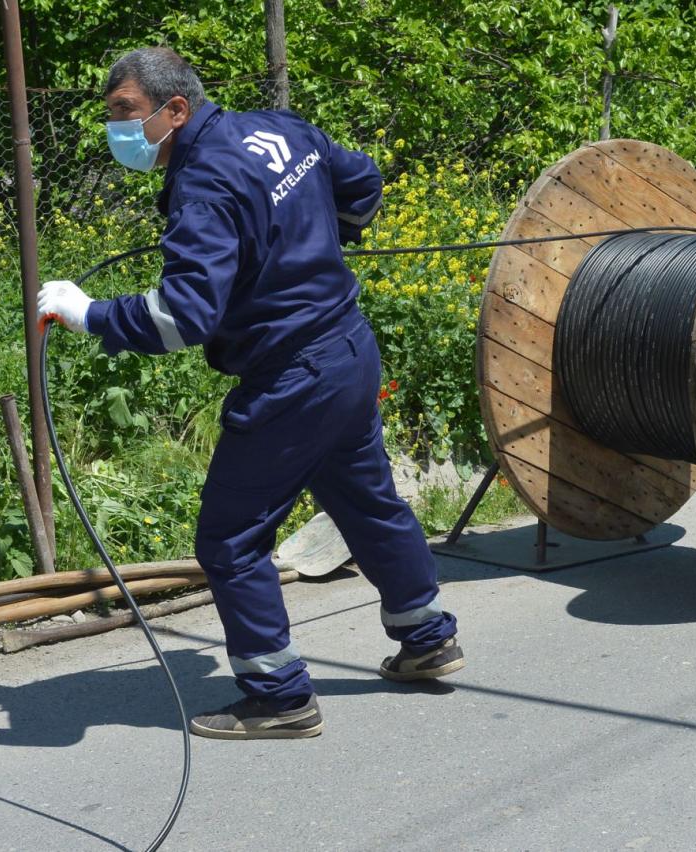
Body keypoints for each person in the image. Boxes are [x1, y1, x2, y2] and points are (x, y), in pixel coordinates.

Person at [37, 47, 463, 741]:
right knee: (365, 500)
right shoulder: (277, 129)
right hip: (349, 350)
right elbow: (362, 181)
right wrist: (321, 244)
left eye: (126, 115)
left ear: (175, 110)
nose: (116, 131)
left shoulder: (203, 182)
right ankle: (428, 638)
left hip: (292, 378)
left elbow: (184, 318)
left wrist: (89, 314)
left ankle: (279, 697)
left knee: (231, 538)